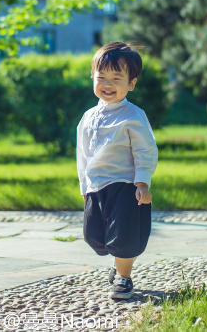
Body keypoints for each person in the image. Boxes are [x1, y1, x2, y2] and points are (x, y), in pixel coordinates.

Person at [76, 41, 158, 300]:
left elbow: (145, 150)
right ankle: (117, 264)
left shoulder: (133, 116)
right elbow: (83, 154)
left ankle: (123, 277)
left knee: (124, 236)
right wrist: (84, 187)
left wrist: (142, 182)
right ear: (93, 78)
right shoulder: (88, 117)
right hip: (97, 186)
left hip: (125, 184)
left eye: (116, 78)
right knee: (94, 236)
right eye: (102, 78)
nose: (107, 84)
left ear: (131, 83)